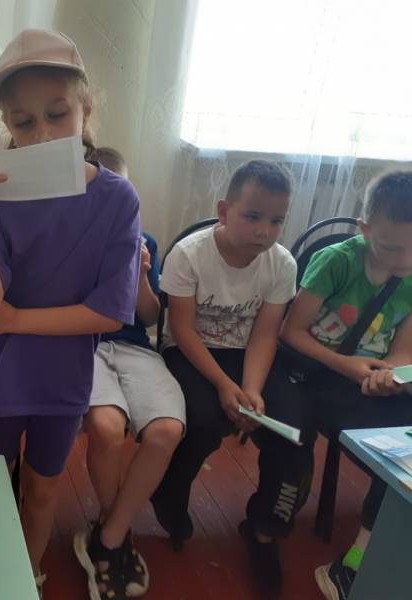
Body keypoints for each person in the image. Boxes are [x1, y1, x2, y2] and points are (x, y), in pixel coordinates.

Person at [0, 29, 141, 598]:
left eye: (57, 115)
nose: (41, 135)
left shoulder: (116, 199)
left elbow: (108, 312)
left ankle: (26, 576)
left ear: (85, 112)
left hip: (62, 376)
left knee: (42, 488)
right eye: (23, 122)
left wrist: (14, 321)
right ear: (7, 125)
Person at [151, 160, 301, 593]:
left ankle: (266, 528)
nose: (265, 231)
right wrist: (223, 384)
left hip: (249, 356)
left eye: (276, 221)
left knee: (292, 430)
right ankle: (170, 496)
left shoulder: (282, 263)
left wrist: (250, 389)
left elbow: (266, 334)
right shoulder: (188, 254)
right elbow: (182, 330)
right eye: (252, 216)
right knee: (201, 422)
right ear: (223, 210)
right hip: (193, 352)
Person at [277, 170, 412, 600]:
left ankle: (375, 547)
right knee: (394, 454)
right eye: (391, 247)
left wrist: (388, 375)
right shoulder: (337, 260)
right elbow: (291, 332)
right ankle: (353, 566)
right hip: (319, 376)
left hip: (369, 380)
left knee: (406, 448)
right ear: (364, 229)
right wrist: (350, 367)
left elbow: (403, 351)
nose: (405, 260)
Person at [73, 147, 184, 598]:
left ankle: (109, 534)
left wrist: (138, 275)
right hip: (84, 344)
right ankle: (112, 532)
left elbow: (151, 317)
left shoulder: (144, 241)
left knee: (166, 430)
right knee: (106, 427)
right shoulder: (69, 239)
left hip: (135, 347)